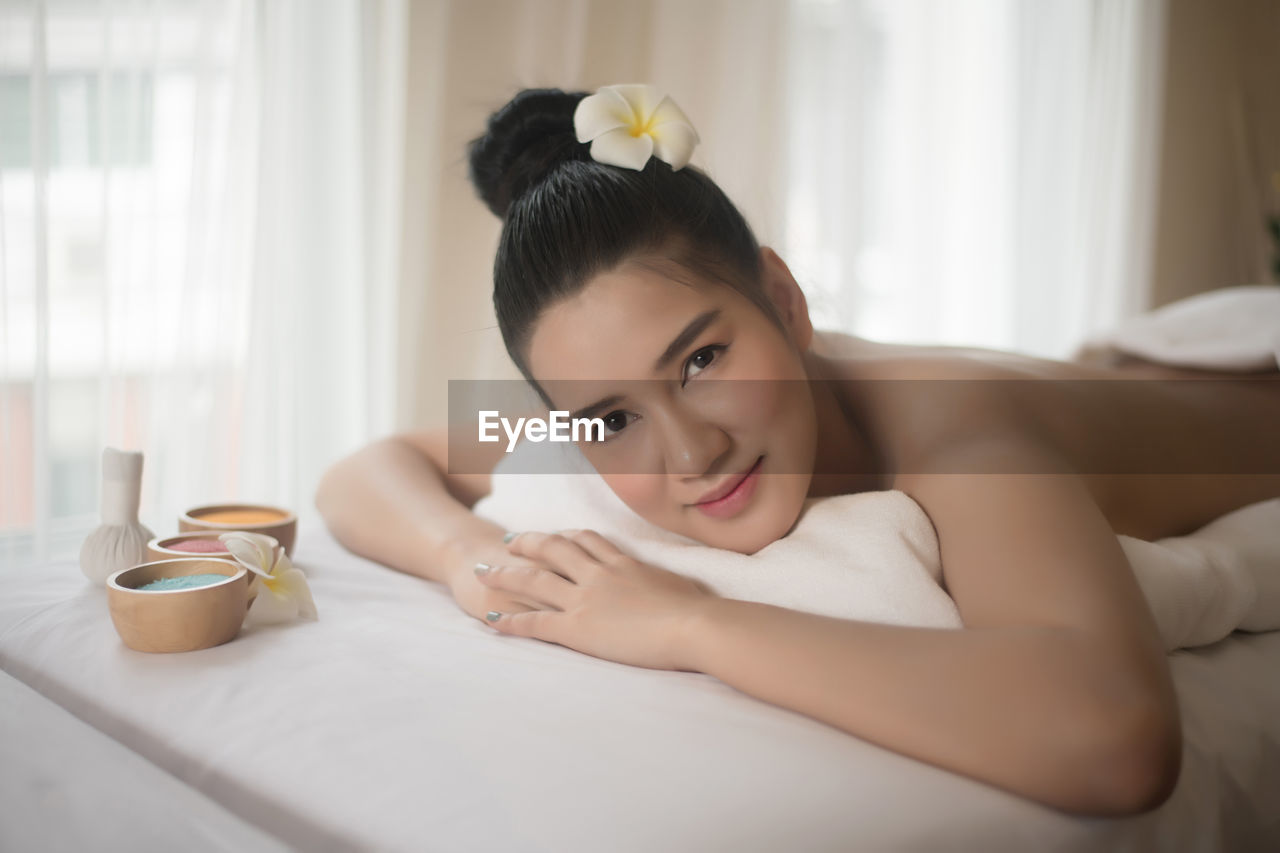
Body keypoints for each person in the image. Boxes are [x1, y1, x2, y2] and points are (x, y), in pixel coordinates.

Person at [315, 86, 1280, 819]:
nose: (690, 450)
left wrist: (687, 624)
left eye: (700, 359)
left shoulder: (959, 432)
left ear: (783, 300)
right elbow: (373, 466)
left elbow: (1115, 739)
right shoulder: (586, 425)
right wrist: (465, 560)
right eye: (611, 419)